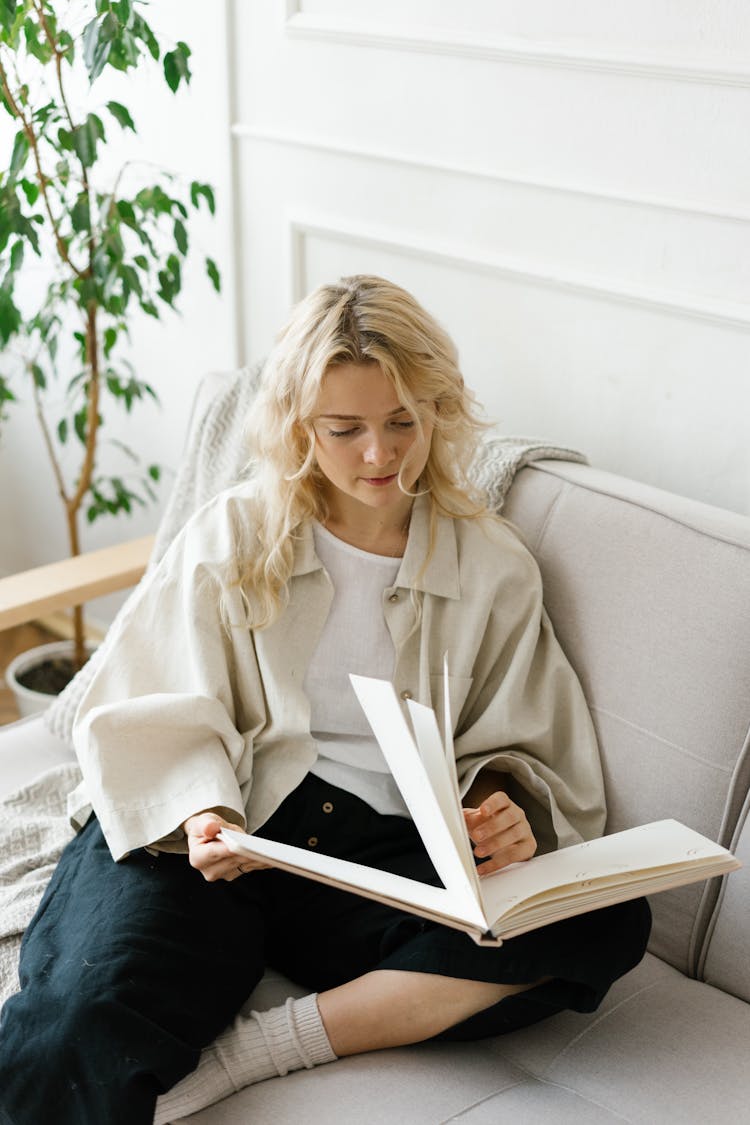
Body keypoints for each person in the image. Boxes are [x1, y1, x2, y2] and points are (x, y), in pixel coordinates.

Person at [0, 275, 651, 1124]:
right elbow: (147, 699)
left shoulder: (492, 566)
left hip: (376, 856)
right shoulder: (234, 534)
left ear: (440, 411)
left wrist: (501, 811)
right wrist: (202, 809)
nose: (379, 455)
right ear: (299, 427)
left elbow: (522, 742)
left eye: (402, 423)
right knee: (83, 1015)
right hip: (212, 829)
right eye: (344, 430)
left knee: (600, 917)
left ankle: (258, 1049)